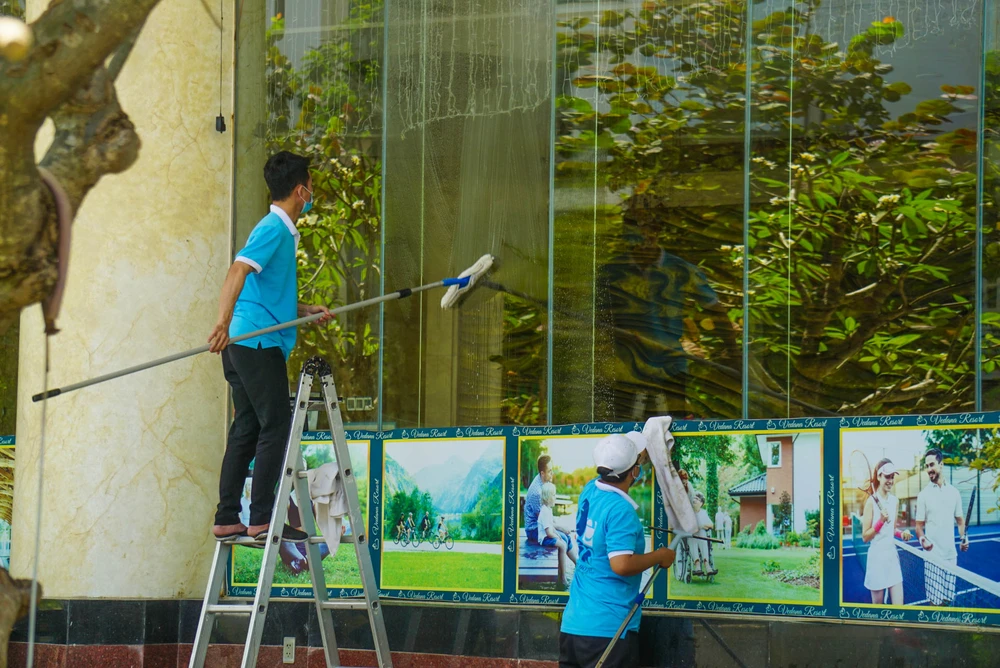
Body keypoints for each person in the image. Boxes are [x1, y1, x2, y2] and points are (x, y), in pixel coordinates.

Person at [208, 151, 332, 543]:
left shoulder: (280, 231)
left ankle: (228, 517)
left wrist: (305, 310)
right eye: (310, 183)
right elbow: (238, 270)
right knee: (275, 425)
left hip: (245, 342)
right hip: (257, 343)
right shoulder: (274, 228)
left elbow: (265, 294)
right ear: (300, 190)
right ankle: (261, 519)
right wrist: (221, 323)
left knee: (246, 425)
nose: (313, 189)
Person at [560, 433, 675, 668]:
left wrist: (636, 453)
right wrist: (660, 556)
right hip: (608, 632)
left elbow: (615, 467)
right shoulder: (621, 510)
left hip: (573, 626)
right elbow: (621, 564)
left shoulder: (590, 490)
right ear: (634, 472)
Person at [915, 448, 969, 606]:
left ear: (941, 464)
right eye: (927, 466)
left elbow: (960, 522)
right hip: (932, 557)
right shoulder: (923, 495)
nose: (929, 469)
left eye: (932, 465)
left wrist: (964, 537)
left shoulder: (954, 493)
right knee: (935, 604)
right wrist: (923, 540)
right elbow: (918, 527)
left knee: (948, 601)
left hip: (950, 556)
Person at [861, 459, 912, 605]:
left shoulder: (895, 501)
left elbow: (892, 529)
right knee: (878, 611)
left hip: (892, 558)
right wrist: (881, 521)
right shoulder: (870, 502)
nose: (890, 481)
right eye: (887, 476)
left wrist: (902, 534)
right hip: (876, 560)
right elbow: (865, 537)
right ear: (879, 477)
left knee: (899, 608)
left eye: (892, 477)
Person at [539, 481, 579, 589]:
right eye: (553, 495)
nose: (555, 497)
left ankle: (576, 564)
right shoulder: (545, 511)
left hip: (549, 535)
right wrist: (558, 537)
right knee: (562, 545)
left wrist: (560, 534)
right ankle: (563, 578)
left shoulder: (548, 509)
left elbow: (552, 526)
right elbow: (548, 532)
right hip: (545, 538)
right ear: (547, 497)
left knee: (566, 538)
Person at [524, 455, 554, 544]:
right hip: (533, 530)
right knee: (562, 538)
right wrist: (561, 528)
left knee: (565, 537)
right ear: (542, 473)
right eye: (549, 471)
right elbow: (544, 520)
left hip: (541, 525)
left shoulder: (543, 480)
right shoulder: (537, 492)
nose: (552, 473)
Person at [690, 491, 716, 576]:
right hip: (691, 536)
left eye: (697, 499)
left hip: (701, 536)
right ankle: (697, 564)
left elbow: (711, 525)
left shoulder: (703, 513)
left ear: (701, 503)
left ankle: (706, 564)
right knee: (694, 534)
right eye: (694, 498)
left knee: (702, 533)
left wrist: (701, 526)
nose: (694, 500)